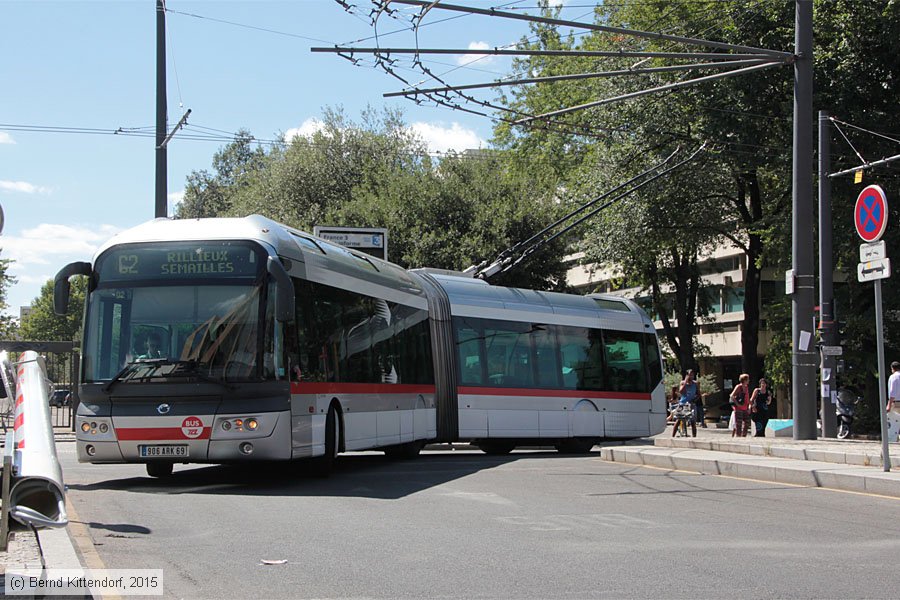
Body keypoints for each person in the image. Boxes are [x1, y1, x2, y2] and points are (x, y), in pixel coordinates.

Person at [729, 373, 752, 437]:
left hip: (745, 408)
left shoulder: (746, 387)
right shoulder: (739, 387)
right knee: (738, 423)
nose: (748, 381)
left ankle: (744, 435)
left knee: (747, 422)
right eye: (747, 379)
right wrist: (737, 404)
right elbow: (732, 396)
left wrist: (750, 405)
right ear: (744, 380)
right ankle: (738, 436)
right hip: (738, 408)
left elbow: (747, 398)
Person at [886, 361, 900, 442]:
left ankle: (893, 438)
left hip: (896, 403)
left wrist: (889, 404)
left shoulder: (893, 377)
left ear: (892, 368)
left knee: (893, 420)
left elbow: (892, 391)